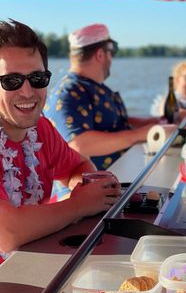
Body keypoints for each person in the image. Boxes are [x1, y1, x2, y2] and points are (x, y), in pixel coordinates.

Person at [0, 19, 121, 260]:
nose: (27, 92)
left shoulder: (41, 130)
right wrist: (78, 205)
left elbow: (79, 166)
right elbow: (7, 232)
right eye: (11, 81)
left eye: (37, 78)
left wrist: (84, 192)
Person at [45, 23, 160, 173]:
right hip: (92, 191)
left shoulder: (90, 87)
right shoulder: (68, 92)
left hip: (119, 179)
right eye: (111, 52)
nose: (111, 59)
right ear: (100, 54)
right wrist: (140, 134)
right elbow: (80, 144)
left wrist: (153, 123)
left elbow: (114, 123)